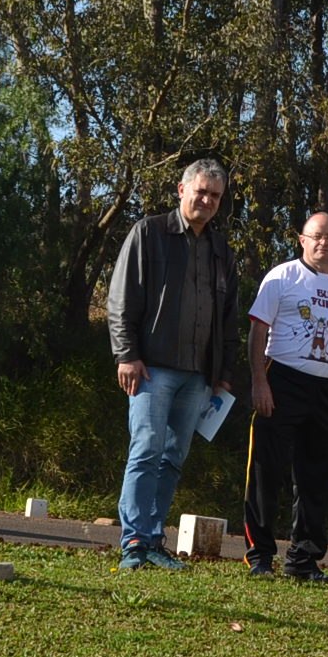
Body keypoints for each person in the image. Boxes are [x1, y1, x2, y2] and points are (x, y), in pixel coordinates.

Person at [106, 158, 237, 572]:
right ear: (181, 190)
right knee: (145, 451)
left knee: (173, 458)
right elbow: (120, 298)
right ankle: (132, 542)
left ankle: (152, 538)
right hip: (151, 369)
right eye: (200, 191)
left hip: (199, 376)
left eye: (215, 195)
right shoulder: (149, 233)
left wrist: (222, 376)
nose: (207, 200)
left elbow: (229, 317)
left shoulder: (222, 250)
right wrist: (126, 354)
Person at [243, 211, 328, 581]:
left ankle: (303, 560)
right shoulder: (282, 276)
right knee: (266, 469)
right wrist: (258, 382)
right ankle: (260, 557)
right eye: (316, 236)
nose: (323, 243)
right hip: (282, 379)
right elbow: (258, 329)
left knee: (317, 475)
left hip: (326, 388)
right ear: (302, 239)